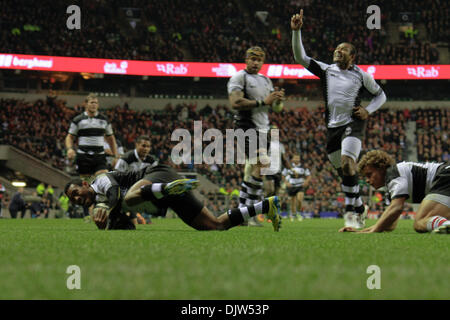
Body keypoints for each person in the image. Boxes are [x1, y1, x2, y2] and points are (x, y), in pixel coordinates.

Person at [291, 9, 387, 229]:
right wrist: (296, 32)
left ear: (352, 57)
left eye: (343, 49)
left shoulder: (362, 75)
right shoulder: (327, 70)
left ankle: (352, 215)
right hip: (332, 127)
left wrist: (368, 110)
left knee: (347, 162)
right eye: (337, 48)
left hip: (353, 123)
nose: (338, 51)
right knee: (343, 172)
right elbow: (300, 58)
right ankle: (361, 207)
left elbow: (381, 95)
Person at [64, 164, 282, 232]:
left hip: (156, 175)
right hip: (163, 192)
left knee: (128, 197)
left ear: (85, 184)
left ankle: (168, 188)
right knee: (214, 225)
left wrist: (107, 212)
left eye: (75, 192)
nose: (76, 199)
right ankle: (265, 206)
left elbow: (114, 193)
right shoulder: (100, 201)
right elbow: (126, 226)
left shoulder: (100, 180)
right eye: (72, 199)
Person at [227, 46, 285, 226]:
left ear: (263, 62)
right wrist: (263, 101)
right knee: (263, 163)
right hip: (246, 125)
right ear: (246, 59)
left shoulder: (266, 80)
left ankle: (242, 213)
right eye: (252, 58)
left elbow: (275, 108)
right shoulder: (239, 77)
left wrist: (278, 101)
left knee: (255, 168)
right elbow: (235, 102)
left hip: (263, 129)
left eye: (259, 59)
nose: (255, 62)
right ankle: (249, 213)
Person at [340, 150, 450, 234]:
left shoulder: (393, 173)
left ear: (381, 168)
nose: (368, 181)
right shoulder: (390, 189)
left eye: (369, 175)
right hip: (445, 179)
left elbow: (397, 208)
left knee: (421, 222)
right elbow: (390, 225)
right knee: (429, 221)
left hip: (446, 176)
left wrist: (373, 230)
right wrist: (361, 232)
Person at [65, 93, 120, 181]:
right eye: (92, 102)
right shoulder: (78, 120)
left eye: (96, 103)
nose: (94, 105)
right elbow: (69, 137)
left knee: (103, 181)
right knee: (88, 184)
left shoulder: (104, 120)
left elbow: (111, 139)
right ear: (86, 104)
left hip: (99, 157)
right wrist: (70, 149)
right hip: (83, 157)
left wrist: (115, 156)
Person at [284, 155, 311, 221]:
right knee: (292, 202)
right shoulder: (288, 167)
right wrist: (286, 183)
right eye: (295, 158)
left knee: (299, 199)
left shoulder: (303, 167)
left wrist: (306, 181)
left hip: (300, 186)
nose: (297, 159)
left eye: (298, 158)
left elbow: (309, 175)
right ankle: (293, 215)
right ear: (292, 159)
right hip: (292, 186)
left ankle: (298, 213)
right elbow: (283, 175)